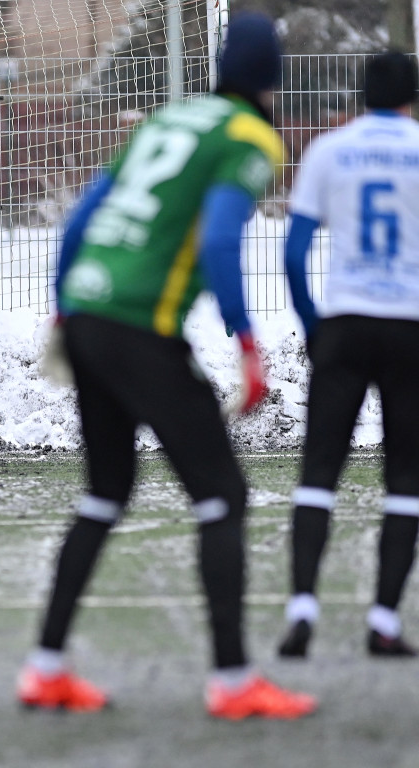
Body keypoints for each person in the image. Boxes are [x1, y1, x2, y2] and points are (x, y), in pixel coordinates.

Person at [17, 13, 316, 719]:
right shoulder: (249, 137)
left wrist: (65, 309)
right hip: (140, 327)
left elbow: (82, 216)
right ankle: (235, 683)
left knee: (106, 492)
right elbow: (217, 243)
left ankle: (45, 667)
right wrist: (246, 341)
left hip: (89, 313)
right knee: (222, 497)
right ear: (272, 80)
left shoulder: (168, 119)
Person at [277, 51, 419, 659]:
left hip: (345, 322)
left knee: (318, 474)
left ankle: (303, 609)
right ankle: (384, 620)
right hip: (409, 327)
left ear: (362, 95)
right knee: (406, 482)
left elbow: (293, 252)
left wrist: (315, 326)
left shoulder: (329, 150)